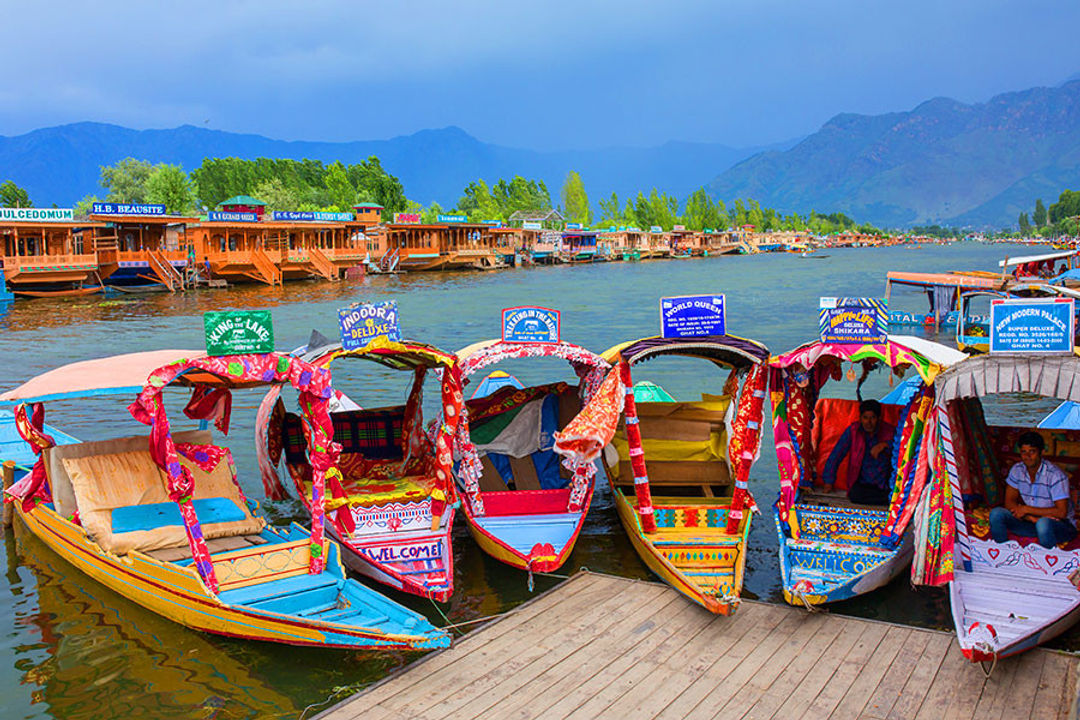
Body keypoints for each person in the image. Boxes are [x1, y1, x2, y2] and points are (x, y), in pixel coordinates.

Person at [989, 432, 1076, 548]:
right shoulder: (1017, 470)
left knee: (1043, 523)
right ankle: (1004, 555)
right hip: (1030, 521)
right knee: (996, 514)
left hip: (1061, 525)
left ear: (1042, 452)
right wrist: (1030, 517)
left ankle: (1046, 563)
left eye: (1032, 451)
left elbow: (1061, 512)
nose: (1027, 456)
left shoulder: (1055, 475)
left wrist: (1026, 509)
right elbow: (1009, 503)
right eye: (1023, 452)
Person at [821, 399, 895, 505]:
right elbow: (836, 455)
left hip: (883, 486)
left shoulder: (890, 431)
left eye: (872, 418)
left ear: (879, 418)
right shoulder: (854, 431)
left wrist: (885, 445)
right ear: (860, 418)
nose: (868, 422)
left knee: (890, 497)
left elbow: (905, 447)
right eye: (865, 418)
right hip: (861, 486)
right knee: (855, 495)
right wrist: (828, 481)